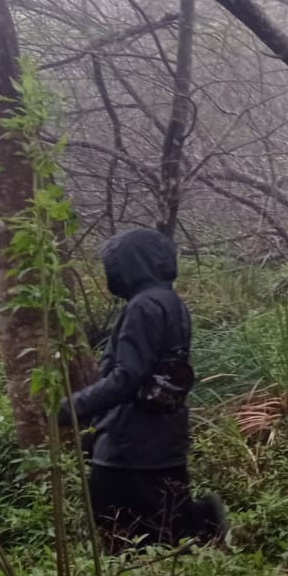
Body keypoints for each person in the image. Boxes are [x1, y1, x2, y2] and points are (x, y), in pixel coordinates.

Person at [60, 227, 226, 551]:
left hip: (130, 444)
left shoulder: (143, 306)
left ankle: (200, 529)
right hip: (165, 437)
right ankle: (201, 527)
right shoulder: (171, 302)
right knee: (166, 521)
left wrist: (72, 407)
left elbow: (127, 377)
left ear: (131, 265)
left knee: (118, 524)